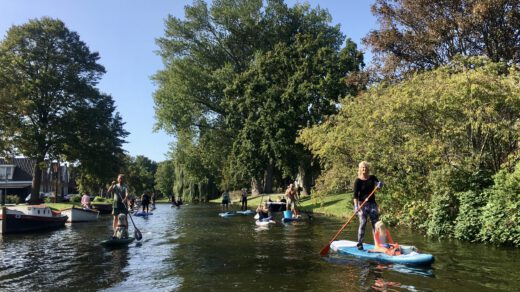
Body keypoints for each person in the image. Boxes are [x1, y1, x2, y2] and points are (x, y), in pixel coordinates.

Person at [353, 161, 382, 250]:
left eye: (365, 167)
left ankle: (377, 244)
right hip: (362, 204)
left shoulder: (372, 178)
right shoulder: (358, 181)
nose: (364, 169)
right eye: (362, 167)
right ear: (360, 169)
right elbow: (355, 196)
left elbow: (379, 187)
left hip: (372, 204)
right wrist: (356, 207)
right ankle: (360, 243)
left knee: (375, 224)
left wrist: (380, 185)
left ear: (368, 169)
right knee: (363, 222)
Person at [107, 174, 129, 238]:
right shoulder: (115, 186)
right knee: (115, 218)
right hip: (116, 203)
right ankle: (115, 233)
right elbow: (109, 191)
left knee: (125, 217)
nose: (121, 179)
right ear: (117, 179)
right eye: (119, 178)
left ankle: (126, 231)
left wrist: (125, 199)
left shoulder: (125, 186)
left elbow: (127, 194)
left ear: (124, 179)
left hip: (123, 203)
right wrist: (111, 185)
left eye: (122, 178)